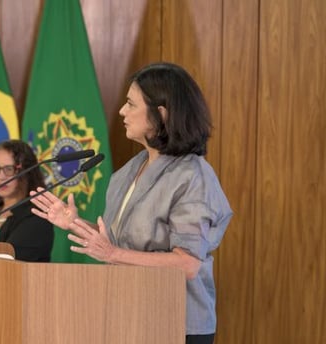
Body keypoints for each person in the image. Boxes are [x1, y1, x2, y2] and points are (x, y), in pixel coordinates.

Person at [29, 62, 232, 344]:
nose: (122, 112)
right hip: (127, 314)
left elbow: (187, 264)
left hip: (176, 325)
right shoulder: (130, 169)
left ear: (160, 114)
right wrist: (73, 222)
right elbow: (117, 242)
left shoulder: (192, 176)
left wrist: (112, 254)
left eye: (130, 104)